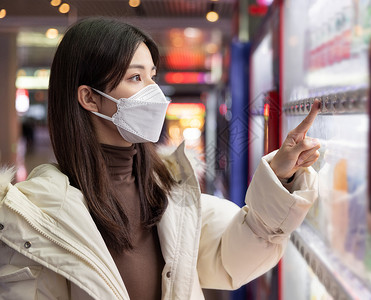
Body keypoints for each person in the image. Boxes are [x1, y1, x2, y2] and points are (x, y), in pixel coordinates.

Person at [0, 18, 321, 300]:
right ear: (89, 98)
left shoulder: (172, 189)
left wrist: (278, 178)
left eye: (152, 75)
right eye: (136, 78)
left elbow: (232, 258)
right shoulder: (31, 216)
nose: (155, 91)